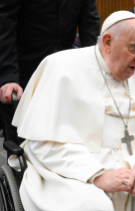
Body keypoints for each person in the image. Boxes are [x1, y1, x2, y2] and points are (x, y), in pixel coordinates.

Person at [8, 11, 135, 211]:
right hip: (68, 173)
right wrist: (96, 174)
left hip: (132, 172)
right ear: (107, 42)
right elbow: (43, 143)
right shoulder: (61, 68)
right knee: (93, 205)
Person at [0, 0, 100, 143]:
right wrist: (8, 77)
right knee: (23, 149)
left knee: (65, 146)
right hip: (22, 76)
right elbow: (4, 25)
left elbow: (90, 23)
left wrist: (94, 71)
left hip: (65, 78)